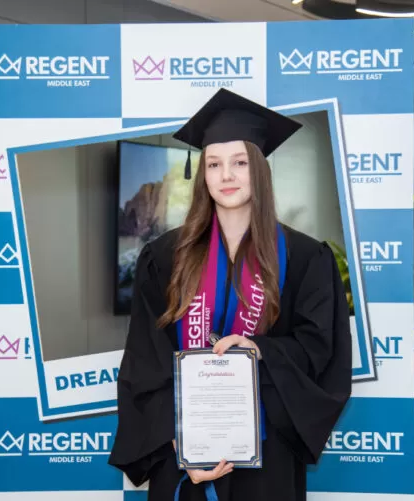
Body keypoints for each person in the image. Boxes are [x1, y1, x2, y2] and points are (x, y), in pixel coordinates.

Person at [108, 88, 353, 501]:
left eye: (240, 162)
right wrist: (177, 442)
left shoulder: (305, 258)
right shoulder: (163, 257)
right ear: (202, 174)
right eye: (214, 164)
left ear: (260, 170)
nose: (226, 176)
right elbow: (144, 359)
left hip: (267, 453)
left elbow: (320, 350)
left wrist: (259, 349)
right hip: (183, 455)